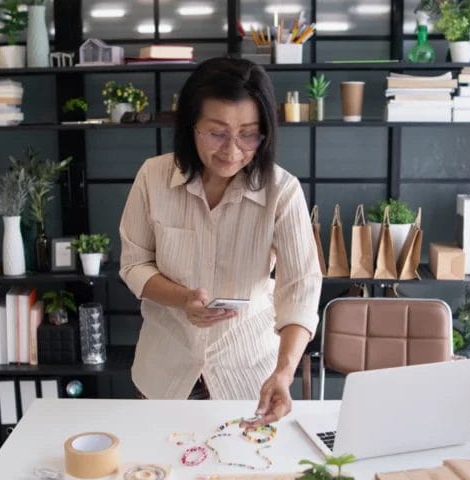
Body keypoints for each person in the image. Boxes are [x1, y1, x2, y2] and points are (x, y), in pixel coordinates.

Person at [119, 57, 321, 425]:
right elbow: (134, 263)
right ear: (190, 125)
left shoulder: (283, 191)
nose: (232, 150)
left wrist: (285, 370)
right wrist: (183, 299)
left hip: (247, 378)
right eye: (216, 133)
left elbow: (301, 289)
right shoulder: (153, 177)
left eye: (248, 133)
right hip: (163, 373)